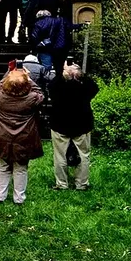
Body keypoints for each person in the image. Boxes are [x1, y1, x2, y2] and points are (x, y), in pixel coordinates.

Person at [0, 63, 44, 204]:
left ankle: (0, 195)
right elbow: (40, 93)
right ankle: (19, 198)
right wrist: (28, 78)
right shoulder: (31, 98)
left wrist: (9, 73)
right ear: (26, 85)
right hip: (24, 136)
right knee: (21, 168)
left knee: (3, 166)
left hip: (2, 136)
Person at [46, 55, 98, 191]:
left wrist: (62, 73)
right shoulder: (84, 88)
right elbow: (94, 87)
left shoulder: (59, 86)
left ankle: (62, 184)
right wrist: (79, 74)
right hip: (82, 124)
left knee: (59, 155)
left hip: (60, 124)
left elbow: (51, 87)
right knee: (83, 154)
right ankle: (82, 184)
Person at [29, 6, 71, 77]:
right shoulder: (58, 20)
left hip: (44, 48)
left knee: (46, 67)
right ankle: (58, 80)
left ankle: (48, 82)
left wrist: (38, 45)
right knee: (58, 66)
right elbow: (69, 27)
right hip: (58, 47)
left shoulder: (38, 23)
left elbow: (34, 36)